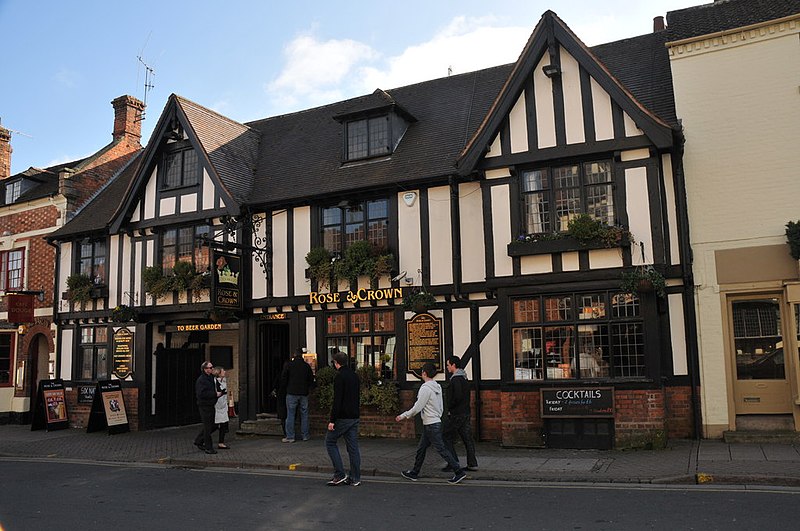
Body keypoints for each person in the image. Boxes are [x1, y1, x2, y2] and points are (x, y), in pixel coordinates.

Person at [395, 362, 466, 484]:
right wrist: (437, 416)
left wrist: (403, 416)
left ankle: (458, 471)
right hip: (433, 422)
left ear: (424, 373)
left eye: (422, 371)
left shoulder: (425, 389)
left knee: (441, 449)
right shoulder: (437, 387)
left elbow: (417, 407)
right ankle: (414, 472)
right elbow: (441, 406)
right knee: (421, 449)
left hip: (431, 424)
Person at [325, 351, 361, 486]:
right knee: (353, 448)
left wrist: (332, 420)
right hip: (354, 416)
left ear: (336, 363)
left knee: (330, 441)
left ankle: (339, 474)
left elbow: (337, 400)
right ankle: (355, 478)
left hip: (343, 417)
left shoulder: (340, 377)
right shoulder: (354, 376)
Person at [442, 355, 478, 472]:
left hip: (456, 414)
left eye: (448, 365)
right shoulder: (464, 378)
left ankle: (453, 463)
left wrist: (450, 407)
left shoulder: (456, 379)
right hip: (465, 412)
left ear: (453, 365)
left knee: (446, 437)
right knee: (467, 439)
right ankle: (472, 463)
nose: (447, 367)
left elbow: (456, 397)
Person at [281, 347, 314, 442]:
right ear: (302, 355)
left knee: (290, 415)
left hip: (291, 392)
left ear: (294, 355)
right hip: (303, 393)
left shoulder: (289, 365)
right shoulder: (306, 366)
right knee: (304, 414)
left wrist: (285, 389)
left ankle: (290, 437)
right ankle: (305, 435)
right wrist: (308, 388)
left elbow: (284, 378)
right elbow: (311, 380)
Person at [194, 361, 222, 454]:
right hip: (204, 405)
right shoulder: (201, 380)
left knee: (214, 425)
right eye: (210, 367)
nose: (212, 369)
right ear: (205, 369)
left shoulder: (211, 378)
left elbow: (216, 387)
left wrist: (220, 391)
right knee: (207, 427)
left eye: (212, 367)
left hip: (211, 404)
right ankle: (208, 448)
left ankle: (199, 440)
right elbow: (201, 394)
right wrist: (215, 394)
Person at [213, 366, 231, 450]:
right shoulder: (214, 382)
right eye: (223, 371)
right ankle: (200, 439)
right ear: (219, 373)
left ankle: (221, 442)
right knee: (214, 425)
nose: (225, 372)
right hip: (217, 406)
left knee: (223, 425)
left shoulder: (224, 380)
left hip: (223, 406)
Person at [272, 359, 290, 436]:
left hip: (281, 395)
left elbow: (275, 384)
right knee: (290, 414)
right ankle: (289, 432)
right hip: (289, 394)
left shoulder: (280, 374)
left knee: (283, 416)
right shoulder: (291, 375)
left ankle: (285, 432)